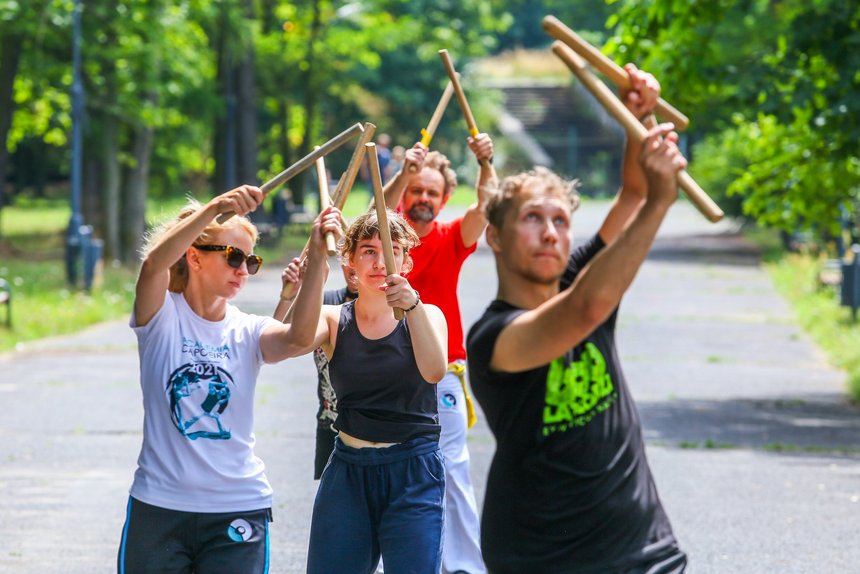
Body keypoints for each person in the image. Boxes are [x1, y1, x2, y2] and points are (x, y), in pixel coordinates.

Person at [466, 65, 689, 573]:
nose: (550, 233)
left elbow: (632, 196)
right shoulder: (492, 337)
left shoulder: (584, 280)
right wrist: (662, 202)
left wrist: (637, 117)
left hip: (646, 552)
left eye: (561, 221)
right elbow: (584, 309)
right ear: (494, 236)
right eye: (532, 218)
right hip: (545, 559)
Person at [116, 184, 342, 573]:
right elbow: (153, 265)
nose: (243, 270)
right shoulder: (161, 317)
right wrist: (214, 209)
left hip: (237, 506)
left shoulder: (248, 330)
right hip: (159, 506)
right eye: (234, 256)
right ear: (194, 257)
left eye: (251, 261)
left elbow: (298, 339)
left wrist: (318, 263)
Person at [302, 210, 449, 574]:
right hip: (349, 471)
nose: (380, 262)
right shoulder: (333, 318)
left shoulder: (428, 315)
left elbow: (434, 371)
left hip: (413, 470)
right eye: (368, 251)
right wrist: (314, 268)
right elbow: (291, 342)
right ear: (350, 262)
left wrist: (412, 305)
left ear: (406, 261)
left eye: (391, 250)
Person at [383, 132, 494, 574]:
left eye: (432, 192)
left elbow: (487, 205)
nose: (424, 198)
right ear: (404, 194)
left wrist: (485, 163)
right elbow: (376, 208)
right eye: (416, 190)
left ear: (445, 199)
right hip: (388, 366)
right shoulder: (386, 239)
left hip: (444, 369)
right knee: (385, 465)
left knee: (451, 467)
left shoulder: (451, 237)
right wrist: (401, 173)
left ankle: (464, 567)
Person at [274, 261, 358, 479]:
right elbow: (277, 341)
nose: (354, 269)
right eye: (348, 261)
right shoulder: (327, 304)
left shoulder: (393, 308)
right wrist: (297, 292)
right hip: (331, 425)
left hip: (374, 429)